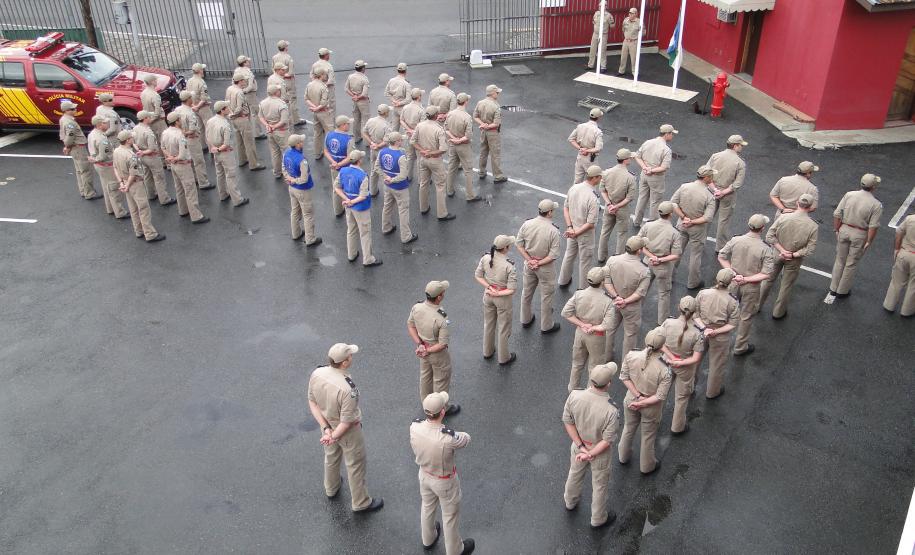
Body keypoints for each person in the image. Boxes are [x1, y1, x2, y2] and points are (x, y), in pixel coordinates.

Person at [307, 343, 384, 513]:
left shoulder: (317, 374)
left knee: (331, 456)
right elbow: (346, 422)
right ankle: (361, 502)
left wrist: (326, 430)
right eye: (350, 356)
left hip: (327, 424)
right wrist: (334, 435)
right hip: (347, 432)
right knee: (355, 464)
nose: (351, 357)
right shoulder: (348, 389)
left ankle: (331, 487)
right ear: (344, 362)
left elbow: (312, 403)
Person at [410, 392, 475, 555]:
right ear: (443, 412)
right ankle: (455, 550)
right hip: (444, 481)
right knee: (450, 516)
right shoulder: (448, 437)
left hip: (424, 474)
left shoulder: (414, 426)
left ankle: (428, 538)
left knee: (427, 506)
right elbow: (466, 439)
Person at [561, 363, 620, 529]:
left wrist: (581, 447)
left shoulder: (575, 395)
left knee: (574, 474)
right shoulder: (611, 410)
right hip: (599, 452)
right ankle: (598, 518)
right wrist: (590, 453)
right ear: (608, 384)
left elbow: (568, 421)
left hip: (579, 446)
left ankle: (570, 501)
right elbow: (607, 440)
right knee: (600, 485)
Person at [718, 214, 774, 356]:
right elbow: (766, 273)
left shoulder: (736, 240)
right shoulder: (765, 248)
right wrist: (746, 279)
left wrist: (732, 273)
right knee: (746, 316)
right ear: (762, 228)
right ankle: (740, 347)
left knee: (725, 311)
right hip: (751, 287)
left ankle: (718, 340)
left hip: (733, 282)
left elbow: (722, 256)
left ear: (749, 225)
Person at [617, 327, 671, 474]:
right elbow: (660, 396)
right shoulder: (665, 369)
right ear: (662, 345)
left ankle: (623, 456)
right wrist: (642, 402)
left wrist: (637, 396)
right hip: (650, 406)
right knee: (648, 436)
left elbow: (624, 377)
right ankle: (647, 466)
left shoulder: (631, 355)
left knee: (628, 428)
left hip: (631, 399)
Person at [760, 193, 818, 319]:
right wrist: (793, 254)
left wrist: (782, 250)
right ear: (810, 207)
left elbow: (769, 236)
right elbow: (810, 249)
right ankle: (778, 312)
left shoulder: (783, 217)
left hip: (777, 254)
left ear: (797, 203)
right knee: (786, 286)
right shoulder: (813, 226)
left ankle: (757, 305)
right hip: (794, 260)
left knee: (767, 280)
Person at [407, 280, 460, 415]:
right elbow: (442, 344)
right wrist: (428, 350)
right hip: (437, 354)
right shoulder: (441, 318)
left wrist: (420, 345)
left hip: (423, 349)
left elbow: (411, 326)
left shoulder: (417, 307)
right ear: (439, 297)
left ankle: (426, 403)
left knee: (425, 376)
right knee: (440, 379)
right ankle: (440, 408)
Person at [830, 174, 883, 298]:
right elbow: (873, 226)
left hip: (844, 229)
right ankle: (842, 291)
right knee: (851, 263)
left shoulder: (849, 195)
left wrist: (837, 229)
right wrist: (869, 241)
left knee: (840, 260)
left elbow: (837, 214)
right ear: (873, 187)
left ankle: (833, 288)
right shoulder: (876, 204)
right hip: (860, 233)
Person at [563, 267, 614, 391]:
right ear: (602, 282)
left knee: (577, 364)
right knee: (594, 367)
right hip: (597, 337)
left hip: (580, 333)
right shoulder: (607, 300)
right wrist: (594, 327)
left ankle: (572, 389)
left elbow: (566, 313)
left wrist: (582, 325)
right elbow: (608, 325)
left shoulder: (579, 294)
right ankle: (590, 391)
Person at [516, 199, 562, 334]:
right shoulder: (553, 230)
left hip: (529, 265)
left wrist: (530, 261)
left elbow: (519, 245)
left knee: (526, 292)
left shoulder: (527, 224)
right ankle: (546, 326)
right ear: (549, 213)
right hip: (545, 268)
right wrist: (538, 263)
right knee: (546, 297)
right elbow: (553, 255)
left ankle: (525, 319)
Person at [659, 296, 704, 434]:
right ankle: (677, 427)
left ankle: (655, 419)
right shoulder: (697, 332)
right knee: (681, 398)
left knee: (662, 391)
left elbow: (660, 343)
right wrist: (680, 362)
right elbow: (696, 358)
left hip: (666, 361)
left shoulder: (668, 322)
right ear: (694, 311)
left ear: (679, 308)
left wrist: (672, 358)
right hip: (685, 368)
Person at [603, 236, 651, 362]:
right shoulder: (644, 270)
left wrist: (616, 297)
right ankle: (627, 363)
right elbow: (640, 293)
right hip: (631, 307)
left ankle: (606, 356)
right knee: (630, 335)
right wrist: (625, 301)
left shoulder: (612, 259)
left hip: (613, 301)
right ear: (639, 250)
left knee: (609, 329)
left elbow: (607, 282)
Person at [693, 269, 739, 399]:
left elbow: (695, 315)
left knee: (695, 361)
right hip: (720, 336)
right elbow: (732, 324)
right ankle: (712, 392)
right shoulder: (732, 300)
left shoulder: (703, 293)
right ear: (730, 282)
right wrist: (715, 331)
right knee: (716, 365)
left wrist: (704, 329)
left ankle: (689, 388)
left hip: (700, 331)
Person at [112, 130, 164, 242]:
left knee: (133, 209)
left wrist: (121, 183)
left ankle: (139, 230)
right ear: (128, 140)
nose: (133, 139)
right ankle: (150, 234)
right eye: (131, 137)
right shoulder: (131, 156)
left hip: (125, 181)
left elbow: (115, 167)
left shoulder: (116, 151)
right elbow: (133, 173)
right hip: (135, 183)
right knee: (143, 208)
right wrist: (127, 185)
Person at [671, 165, 717, 290]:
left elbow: (673, 203)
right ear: (706, 178)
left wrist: (683, 217)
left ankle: (669, 276)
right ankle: (693, 282)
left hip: (682, 224)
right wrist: (692, 221)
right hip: (697, 229)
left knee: (677, 251)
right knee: (695, 255)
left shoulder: (684, 186)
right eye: (711, 176)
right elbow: (707, 218)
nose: (712, 178)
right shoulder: (709, 196)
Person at [475, 235, 518, 365]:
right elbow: (511, 289)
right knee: (503, 328)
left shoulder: (486, 258)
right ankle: (504, 357)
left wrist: (489, 288)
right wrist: (498, 293)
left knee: (488, 324)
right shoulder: (509, 265)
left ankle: (487, 351)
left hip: (488, 295)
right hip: (502, 299)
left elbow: (478, 276)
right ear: (505, 248)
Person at [161, 112, 209, 224]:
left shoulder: (165, 132)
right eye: (179, 119)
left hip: (174, 165)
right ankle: (196, 216)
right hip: (183, 165)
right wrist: (175, 158)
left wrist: (170, 157)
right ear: (176, 121)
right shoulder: (179, 135)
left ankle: (183, 210)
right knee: (190, 190)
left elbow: (162, 147)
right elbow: (182, 155)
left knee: (179, 189)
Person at [334, 150, 381, 267]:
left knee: (351, 230)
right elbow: (363, 196)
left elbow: (337, 188)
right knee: (365, 233)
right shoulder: (363, 175)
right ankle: (368, 259)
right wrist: (352, 201)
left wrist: (347, 199)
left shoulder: (343, 171)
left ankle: (352, 254)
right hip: (361, 208)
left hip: (348, 206)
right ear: (359, 161)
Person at [639, 202, 682, 325]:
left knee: (642, 289)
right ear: (671, 214)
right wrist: (659, 259)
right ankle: (662, 321)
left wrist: (651, 256)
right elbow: (675, 255)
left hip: (647, 262)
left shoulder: (648, 225)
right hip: (663, 266)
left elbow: (639, 243)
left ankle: (636, 312)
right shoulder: (674, 233)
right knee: (663, 293)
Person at [558, 166, 601, 289]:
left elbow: (566, 208)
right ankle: (583, 288)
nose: (600, 179)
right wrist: (576, 232)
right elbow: (591, 223)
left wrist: (570, 227)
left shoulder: (574, 187)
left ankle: (563, 280)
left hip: (572, 229)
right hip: (584, 234)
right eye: (599, 177)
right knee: (585, 262)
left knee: (569, 255)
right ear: (594, 178)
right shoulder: (593, 197)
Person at [706, 135, 748, 252]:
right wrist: (723, 192)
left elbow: (706, 173)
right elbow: (737, 183)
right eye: (740, 145)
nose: (742, 147)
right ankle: (720, 247)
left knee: (708, 216)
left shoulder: (715, 156)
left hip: (711, 191)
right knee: (723, 221)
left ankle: (700, 239)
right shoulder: (740, 163)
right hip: (728, 195)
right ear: (735, 146)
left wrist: (715, 189)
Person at [412, 106, 454, 220]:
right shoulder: (439, 129)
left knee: (423, 183)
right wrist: (430, 153)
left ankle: (423, 208)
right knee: (440, 186)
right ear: (436, 115)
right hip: (435, 160)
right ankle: (442, 214)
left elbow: (413, 141)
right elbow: (443, 149)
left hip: (423, 159)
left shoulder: (420, 125)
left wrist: (422, 151)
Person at [205, 101, 249, 207]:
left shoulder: (210, 121)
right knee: (231, 176)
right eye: (227, 107)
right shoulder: (225, 124)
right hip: (225, 153)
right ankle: (237, 199)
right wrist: (219, 149)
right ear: (222, 110)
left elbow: (207, 136)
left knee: (219, 174)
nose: (229, 109)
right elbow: (226, 143)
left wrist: (213, 148)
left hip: (215, 151)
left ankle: (223, 194)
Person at [596, 148, 636, 262]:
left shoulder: (606, 172)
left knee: (605, 232)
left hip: (609, 207)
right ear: (626, 160)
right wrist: (617, 206)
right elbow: (629, 197)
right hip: (622, 209)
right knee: (622, 233)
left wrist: (609, 204)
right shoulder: (630, 177)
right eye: (629, 158)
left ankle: (601, 256)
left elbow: (602, 190)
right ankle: (618, 259)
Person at [377, 132, 417, 244]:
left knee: (387, 206)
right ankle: (406, 236)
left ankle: (386, 227)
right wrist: (392, 180)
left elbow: (377, 167)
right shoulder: (401, 156)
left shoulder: (382, 152)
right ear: (397, 141)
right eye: (401, 140)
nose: (402, 141)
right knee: (403, 211)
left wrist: (386, 177)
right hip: (400, 187)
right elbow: (403, 175)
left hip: (387, 185)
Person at [632, 124, 675, 227]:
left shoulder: (648, 142)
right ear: (667, 134)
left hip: (644, 174)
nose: (672, 136)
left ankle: (637, 221)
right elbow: (664, 167)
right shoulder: (666, 149)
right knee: (655, 201)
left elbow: (637, 156)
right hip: (656, 178)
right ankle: (652, 224)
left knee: (642, 198)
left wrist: (645, 168)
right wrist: (651, 170)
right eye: (671, 134)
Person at [283, 134, 322, 247]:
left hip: (291, 188)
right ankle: (310, 239)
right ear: (297, 144)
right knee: (308, 214)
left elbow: (283, 168)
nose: (302, 142)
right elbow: (304, 179)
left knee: (295, 211)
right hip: (302, 190)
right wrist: (295, 180)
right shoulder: (301, 160)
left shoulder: (286, 153)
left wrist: (289, 179)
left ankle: (296, 233)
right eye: (301, 141)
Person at [87, 115, 128, 218]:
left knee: (106, 187)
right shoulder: (102, 139)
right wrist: (95, 160)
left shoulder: (92, 134)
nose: (108, 124)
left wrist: (94, 160)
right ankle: (120, 212)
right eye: (105, 123)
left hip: (100, 166)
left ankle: (111, 208)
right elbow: (103, 156)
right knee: (114, 188)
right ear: (99, 125)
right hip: (106, 166)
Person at [58, 100, 99, 200]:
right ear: (67, 111)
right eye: (73, 109)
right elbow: (69, 137)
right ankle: (89, 193)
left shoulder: (63, 119)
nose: (75, 110)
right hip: (78, 148)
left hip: (74, 148)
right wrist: (67, 146)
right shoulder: (70, 123)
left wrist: (67, 146)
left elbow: (64, 136)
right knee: (86, 171)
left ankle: (83, 190)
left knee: (79, 170)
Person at [133, 111, 176, 205]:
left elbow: (133, 143)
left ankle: (151, 194)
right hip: (151, 157)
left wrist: (139, 151)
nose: (150, 118)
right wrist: (144, 152)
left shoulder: (135, 128)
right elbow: (152, 148)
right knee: (159, 178)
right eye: (149, 117)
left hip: (142, 157)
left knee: (147, 176)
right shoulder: (148, 132)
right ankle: (164, 199)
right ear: (145, 118)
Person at [174, 90, 213, 190]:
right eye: (191, 97)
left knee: (189, 160)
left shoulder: (177, 110)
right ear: (188, 99)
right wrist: (185, 133)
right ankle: (203, 182)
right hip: (192, 139)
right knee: (198, 161)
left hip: (182, 139)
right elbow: (192, 130)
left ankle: (195, 179)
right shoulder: (190, 113)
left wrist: (181, 133)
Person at [226, 70, 264, 170]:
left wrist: (230, 114)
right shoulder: (239, 92)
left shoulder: (229, 89)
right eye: (243, 80)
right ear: (240, 81)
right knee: (249, 142)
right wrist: (234, 114)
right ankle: (254, 164)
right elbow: (239, 107)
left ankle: (242, 160)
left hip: (234, 120)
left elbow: (227, 103)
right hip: (242, 119)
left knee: (239, 141)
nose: (245, 82)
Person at [445, 92, 479, 201]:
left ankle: (449, 190)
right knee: (468, 170)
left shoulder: (450, 114)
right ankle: (470, 195)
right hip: (463, 146)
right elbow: (468, 136)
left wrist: (454, 138)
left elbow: (446, 129)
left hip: (452, 144)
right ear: (466, 102)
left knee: (451, 167)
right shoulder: (467, 117)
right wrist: (459, 140)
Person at [883, 214, 915, 317]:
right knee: (913, 286)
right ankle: (907, 311)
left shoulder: (910, 219)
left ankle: (889, 305)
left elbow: (899, 232)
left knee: (896, 281)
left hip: (904, 253)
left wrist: (897, 249)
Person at [473, 85, 506, 183]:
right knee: (495, 154)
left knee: (483, 152)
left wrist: (482, 124)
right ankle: (498, 176)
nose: (498, 94)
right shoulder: (496, 106)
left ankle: (481, 172)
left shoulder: (480, 103)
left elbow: (475, 116)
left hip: (483, 131)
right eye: (497, 92)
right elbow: (496, 123)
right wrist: (488, 126)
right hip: (493, 132)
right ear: (493, 93)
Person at [325, 115, 355, 217]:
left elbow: (326, 151)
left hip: (333, 167)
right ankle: (348, 211)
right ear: (343, 125)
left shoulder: (329, 135)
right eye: (348, 124)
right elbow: (350, 157)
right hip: (345, 169)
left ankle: (337, 210)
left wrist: (334, 163)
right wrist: (339, 164)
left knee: (336, 188)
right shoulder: (348, 139)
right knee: (347, 189)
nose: (349, 126)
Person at [259, 84, 290, 179]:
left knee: (274, 152)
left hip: (270, 131)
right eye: (279, 90)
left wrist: (267, 125)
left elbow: (260, 117)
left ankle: (277, 171)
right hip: (281, 131)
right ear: (276, 92)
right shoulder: (281, 104)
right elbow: (284, 121)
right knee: (287, 151)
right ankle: (288, 172)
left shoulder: (263, 103)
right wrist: (274, 127)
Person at [568, 108, 604, 183]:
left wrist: (580, 149)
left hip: (580, 156)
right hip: (591, 159)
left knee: (577, 181)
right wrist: (587, 150)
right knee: (592, 182)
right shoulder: (597, 131)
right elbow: (598, 148)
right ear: (598, 118)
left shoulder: (580, 126)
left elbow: (571, 139)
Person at [362, 104, 392, 197]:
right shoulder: (386, 125)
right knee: (385, 171)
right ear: (386, 113)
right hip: (382, 150)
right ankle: (388, 193)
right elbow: (386, 140)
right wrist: (378, 146)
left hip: (373, 148)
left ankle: (373, 191)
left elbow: (364, 132)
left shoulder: (371, 120)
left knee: (374, 170)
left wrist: (372, 143)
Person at [306, 67, 334, 162]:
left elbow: (306, 98)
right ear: (321, 75)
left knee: (317, 133)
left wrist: (314, 108)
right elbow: (324, 103)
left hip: (315, 113)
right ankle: (332, 152)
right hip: (323, 112)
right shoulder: (323, 87)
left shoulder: (309, 85)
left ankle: (317, 153)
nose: (326, 76)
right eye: (325, 74)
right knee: (330, 132)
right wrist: (317, 108)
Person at [273, 40, 303, 125]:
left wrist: (279, 76)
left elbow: (273, 69)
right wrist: (284, 75)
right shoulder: (288, 58)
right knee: (292, 100)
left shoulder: (274, 57)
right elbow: (290, 72)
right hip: (288, 81)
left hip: (277, 80)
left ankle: (281, 118)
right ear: (285, 48)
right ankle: (295, 119)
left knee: (280, 99)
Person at [400, 88, 425, 181]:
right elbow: (421, 126)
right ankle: (421, 179)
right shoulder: (421, 110)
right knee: (419, 158)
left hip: (408, 135)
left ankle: (408, 176)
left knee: (410, 156)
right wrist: (413, 131)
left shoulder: (405, 107)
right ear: (419, 97)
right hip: (418, 137)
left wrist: (409, 130)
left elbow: (401, 120)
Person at [236, 55, 264, 138]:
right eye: (247, 61)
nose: (249, 62)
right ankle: (258, 133)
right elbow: (250, 86)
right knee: (255, 113)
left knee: (245, 113)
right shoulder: (248, 72)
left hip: (241, 94)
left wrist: (240, 92)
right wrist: (245, 91)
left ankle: (247, 132)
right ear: (244, 63)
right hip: (250, 95)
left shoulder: (236, 71)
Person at [345, 60, 370, 140]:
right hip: (363, 101)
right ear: (362, 68)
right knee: (366, 120)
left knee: (356, 119)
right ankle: (367, 140)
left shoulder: (350, 76)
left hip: (355, 101)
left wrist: (354, 96)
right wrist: (358, 97)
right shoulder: (364, 79)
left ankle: (356, 137)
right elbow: (364, 94)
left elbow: (346, 89)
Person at [586, 5, 614, 71]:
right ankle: (590, 65)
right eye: (599, 6)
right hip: (595, 34)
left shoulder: (609, 15)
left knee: (602, 50)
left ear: (606, 7)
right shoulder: (596, 13)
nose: (600, 7)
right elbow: (593, 22)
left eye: (602, 6)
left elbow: (612, 26)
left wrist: (609, 24)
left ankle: (603, 66)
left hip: (603, 35)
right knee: (592, 50)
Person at [385, 62, 411, 132]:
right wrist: (399, 103)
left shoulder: (391, 80)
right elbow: (408, 99)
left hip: (394, 106)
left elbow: (386, 93)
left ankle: (393, 138)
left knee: (394, 128)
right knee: (406, 128)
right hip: (403, 108)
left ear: (397, 70)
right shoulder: (406, 83)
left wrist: (394, 101)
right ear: (405, 71)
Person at [186, 62, 214, 126]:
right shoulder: (201, 82)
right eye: (202, 69)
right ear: (200, 71)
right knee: (209, 126)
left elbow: (188, 95)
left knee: (200, 128)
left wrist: (193, 106)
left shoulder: (189, 81)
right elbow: (204, 98)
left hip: (193, 107)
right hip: (203, 108)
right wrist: (197, 107)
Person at [140, 74, 166, 141]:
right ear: (152, 82)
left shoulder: (143, 93)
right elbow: (157, 112)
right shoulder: (155, 95)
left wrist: (148, 121)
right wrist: (151, 120)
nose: (156, 81)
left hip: (149, 119)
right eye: (155, 80)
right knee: (163, 140)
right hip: (158, 122)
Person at [311, 47, 336, 114]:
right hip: (327, 88)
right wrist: (323, 86)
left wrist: (317, 84)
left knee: (318, 104)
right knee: (330, 106)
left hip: (316, 88)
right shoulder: (328, 65)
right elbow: (331, 80)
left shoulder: (315, 64)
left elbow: (311, 76)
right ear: (326, 55)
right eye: (328, 54)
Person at [618, 8, 640, 75]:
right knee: (623, 57)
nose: (630, 14)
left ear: (636, 14)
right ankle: (621, 71)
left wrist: (635, 37)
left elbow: (643, 32)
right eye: (629, 13)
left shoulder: (639, 22)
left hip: (633, 42)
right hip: (626, 41)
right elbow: (623, 29)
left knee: (634, 58)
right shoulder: (626, 20)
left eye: (632, 13)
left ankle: (634, 72)